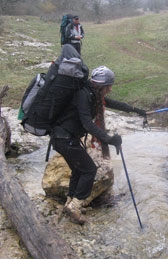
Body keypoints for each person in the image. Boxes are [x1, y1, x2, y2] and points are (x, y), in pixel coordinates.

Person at [51, 66, 146, 224]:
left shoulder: (92, 93)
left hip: (65, 138)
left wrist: (136, 110)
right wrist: (109, 139)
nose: (110, 90)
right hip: (63, 138)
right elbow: (87, 123)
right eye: (109, 86)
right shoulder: (83, 95)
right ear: (102, 86)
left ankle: (70, 202)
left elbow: (112, 103)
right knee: (89, 170)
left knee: (78, 169)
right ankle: (75, 206)